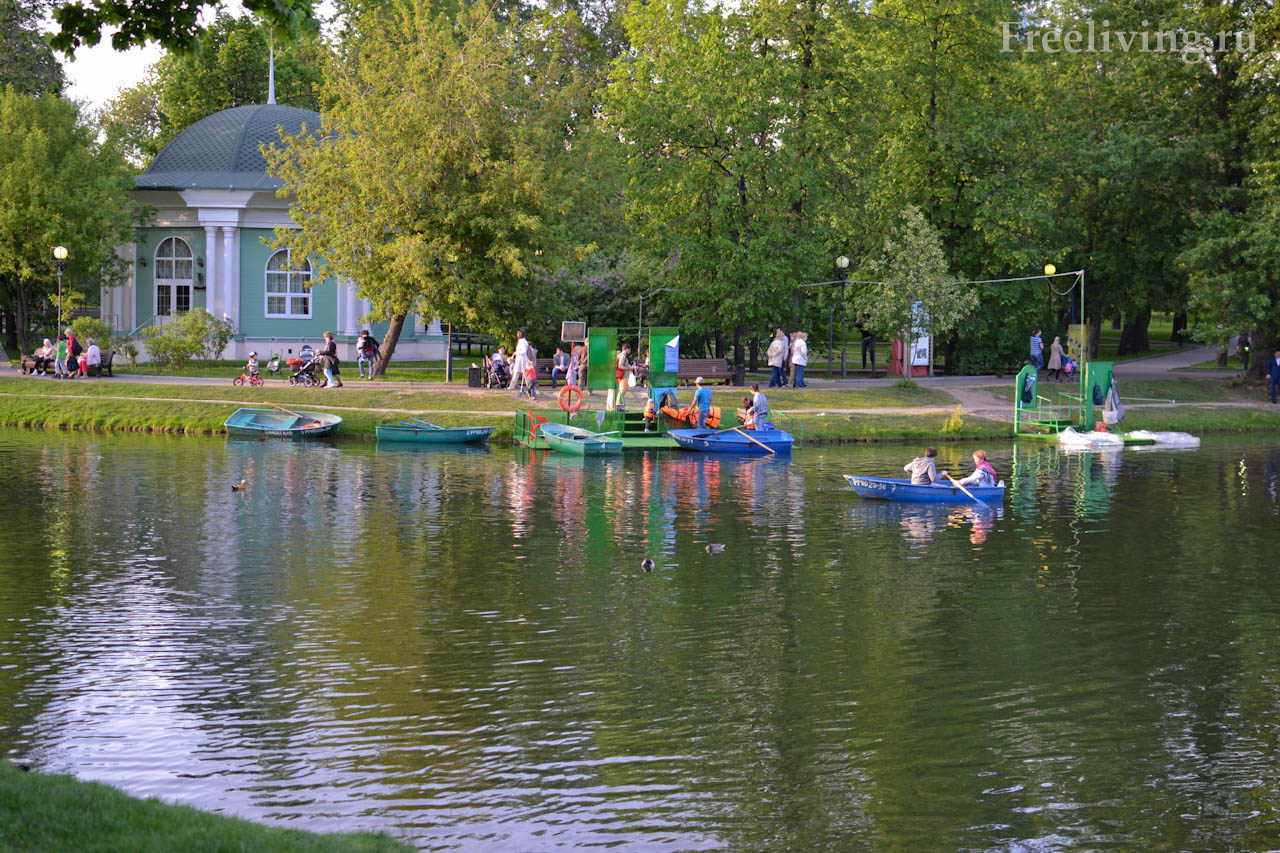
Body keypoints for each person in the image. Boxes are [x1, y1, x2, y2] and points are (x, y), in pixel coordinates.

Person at [614, 343, 634, 409]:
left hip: (622, 375)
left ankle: (619, 404)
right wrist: (629, 368)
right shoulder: (623, 356)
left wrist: (631, 367)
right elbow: (620, 365)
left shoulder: (620, 355)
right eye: (629, 350)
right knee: (622, 390)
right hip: (623, 375)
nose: (629, 351)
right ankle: (619, 405)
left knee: (621, 390)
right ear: (627, 349)